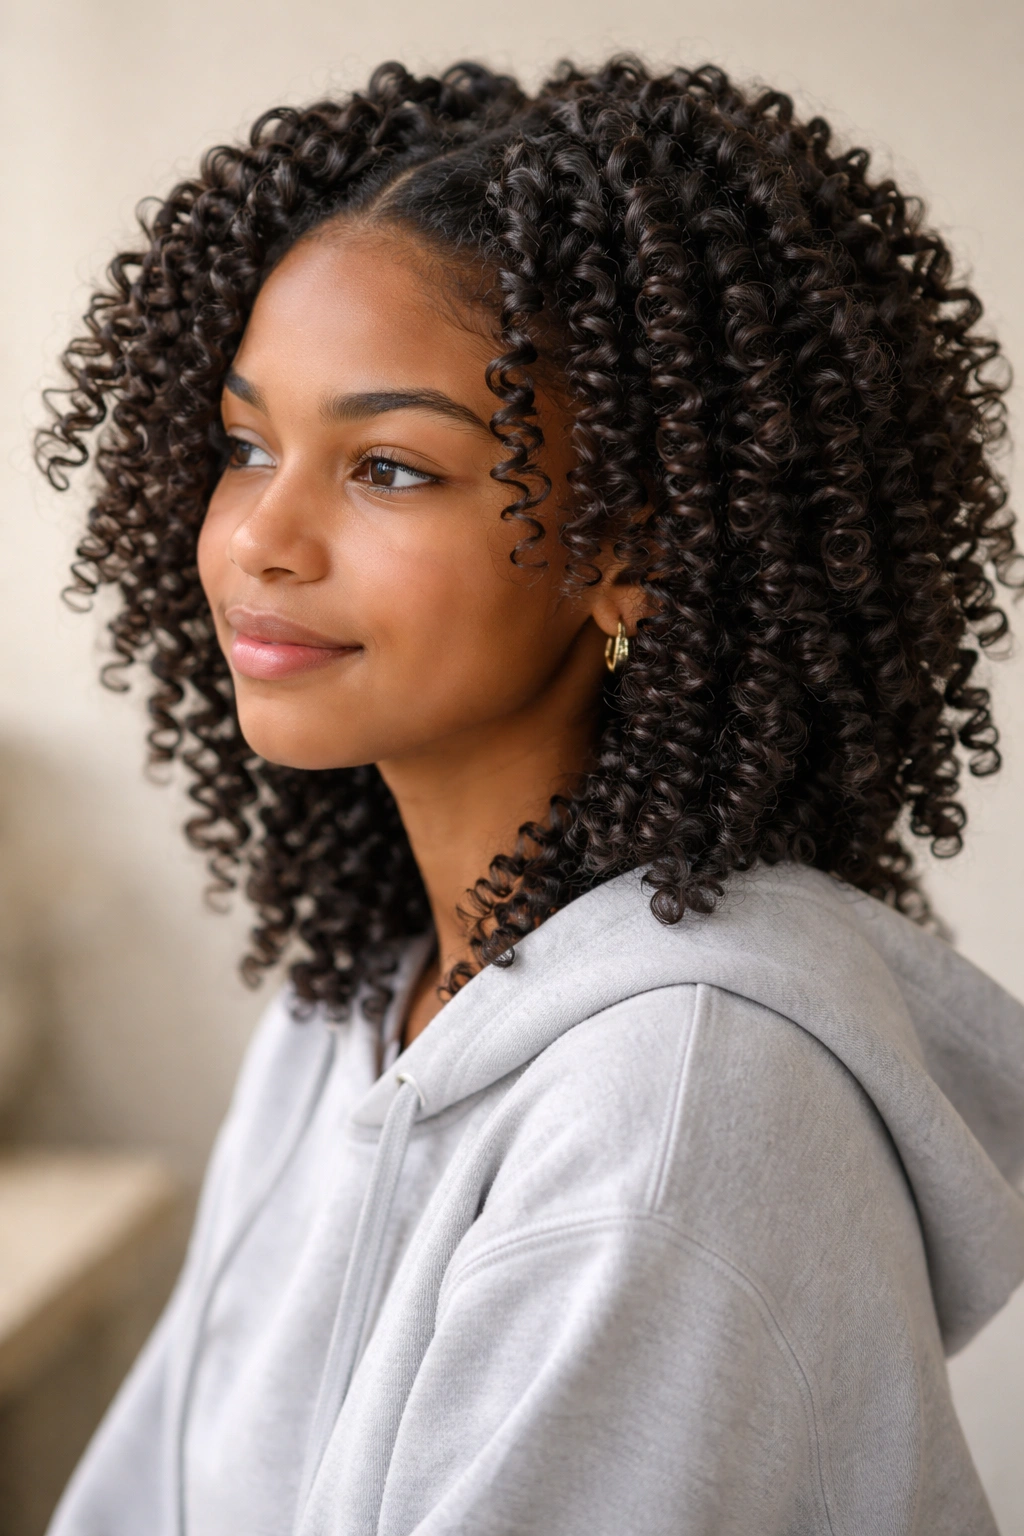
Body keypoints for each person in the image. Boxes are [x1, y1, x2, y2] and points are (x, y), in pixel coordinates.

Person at [37, 56, 1024, 1536]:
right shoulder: (362, 1002)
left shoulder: (677, 1108)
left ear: (628, 543)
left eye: (386, 466)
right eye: (247, 444)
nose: (259, 538)